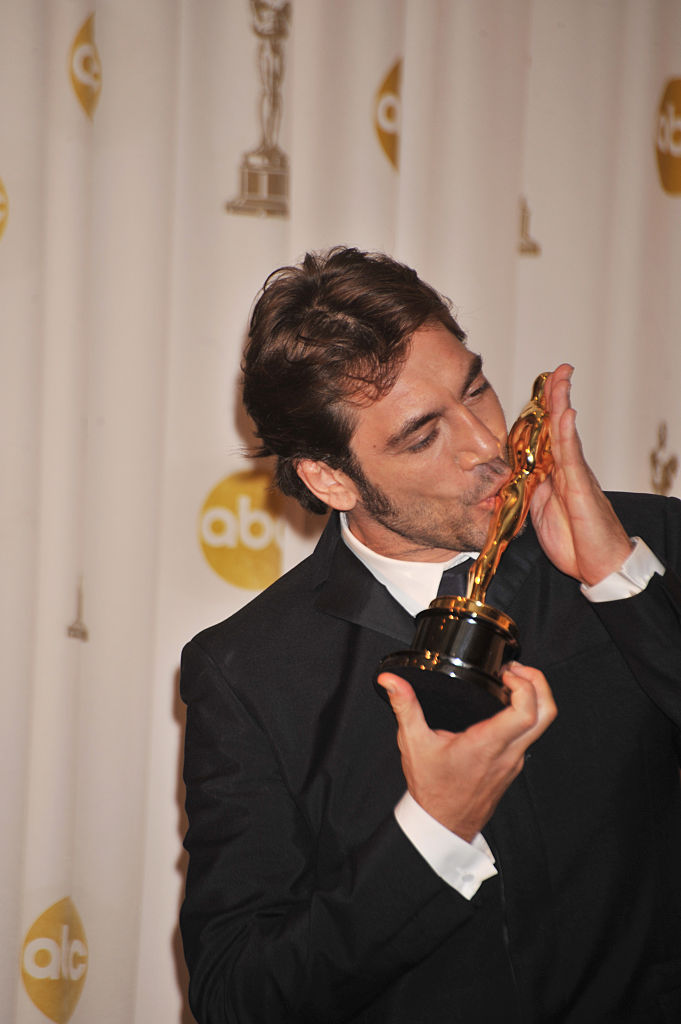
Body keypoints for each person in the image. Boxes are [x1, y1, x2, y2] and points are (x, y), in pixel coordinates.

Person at [180, 247, 681, 1023]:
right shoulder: (249, 672)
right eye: (421, 437)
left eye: (474, 388)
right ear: (329, 479)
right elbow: (236, 996)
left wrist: (619, 582)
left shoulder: (646, 544)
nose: (486, 445)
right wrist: (431, 835)